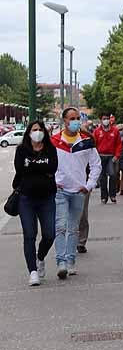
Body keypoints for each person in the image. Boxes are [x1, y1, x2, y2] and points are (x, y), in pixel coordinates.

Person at [51, 107, 101, 279]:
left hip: (79, 191)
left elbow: (96, 165)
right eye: (71, 118)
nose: (75, 121)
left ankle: (71, 261)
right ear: (64, 121)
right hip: (61, 191)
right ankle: (61, 262)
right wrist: (53, 183)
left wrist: (89, 185)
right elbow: (48, 166)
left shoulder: (86, 141)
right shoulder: (55, 141)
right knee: (60, 226)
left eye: (77, 118)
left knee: (73, 228)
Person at [13, 120, 58, 286]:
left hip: (47, 198)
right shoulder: (21, 150)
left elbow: (52, 168)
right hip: (26, 198)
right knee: (29, 235)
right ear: (29, 132)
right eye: (34, 129)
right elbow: (21, 170)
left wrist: (32, 166)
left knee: (49, 234)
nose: (37, 132)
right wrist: (41, 169)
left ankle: (40, 257)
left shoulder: (50, 149)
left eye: (40, 129)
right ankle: (32, 271)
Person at [93, 114, 123, 205]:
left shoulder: (115, 131)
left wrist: (117, 156)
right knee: (102, 178)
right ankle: (104, 197)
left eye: (107, 119)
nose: (106, 120)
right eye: (104, 119)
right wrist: (95, 157)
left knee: (113, 175)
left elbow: (119, 144)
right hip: (100, 156)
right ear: (101, 120)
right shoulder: (97, 131)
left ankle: (112, 195)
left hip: (111, 156)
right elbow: (93, 144)